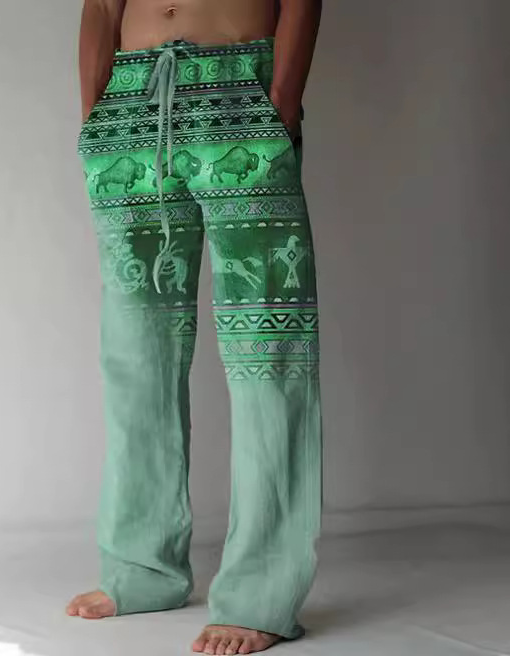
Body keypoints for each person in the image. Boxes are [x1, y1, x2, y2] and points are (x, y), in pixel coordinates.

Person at [66, 1, 323, 654]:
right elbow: (102, 5)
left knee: (267, 350)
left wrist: (281, 102)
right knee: (135, 354)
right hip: (130, 103)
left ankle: (261, 595)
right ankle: (141, 568)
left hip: (242, 94)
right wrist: (95, 111)